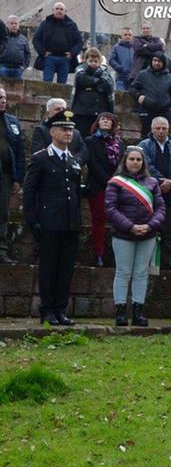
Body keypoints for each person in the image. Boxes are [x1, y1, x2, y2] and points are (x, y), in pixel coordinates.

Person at [22, 110, 82, 325]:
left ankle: (60, 309)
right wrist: (32, 220)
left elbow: (76, 193)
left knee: (66, 268)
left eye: (71, 130)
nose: (68, 133)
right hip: (49, 222)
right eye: (64, 129)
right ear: (52, 131)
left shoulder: (73, 161)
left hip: (69, 222)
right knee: (48, 267)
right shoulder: (41, 158)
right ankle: (47, 309)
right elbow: (30, 192)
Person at [105, 146, 166, 326]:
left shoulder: (152, 182)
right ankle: (121, 312)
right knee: (123, 272)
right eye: (132, 159)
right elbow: (110, 209)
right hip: (123, 235)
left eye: (138, 159)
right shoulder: (115, 182)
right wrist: (130, 226)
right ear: (125, 161)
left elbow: (161, 208)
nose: (135, 162)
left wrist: (149, 226)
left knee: (141, 273)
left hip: (147, 235)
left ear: (143, 162)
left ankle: (138, 312)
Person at [139, 116, 171, 270]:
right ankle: (148, 260)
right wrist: (160, 181)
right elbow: (146, 164)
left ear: (168, 129)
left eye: (164, 128)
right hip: (151, 193)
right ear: (152, 129)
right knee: (150, 226)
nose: (161, 131)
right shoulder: (144, 145)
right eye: (158, 128)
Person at [83, 112, 125, 266]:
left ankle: (117, 255)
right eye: (103, 119)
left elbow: (122, 164)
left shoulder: (120, 143)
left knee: (119, 220)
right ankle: (98, 253)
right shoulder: (90, 141)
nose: (106, 121)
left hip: (117, 186)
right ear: (98, 122)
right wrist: (107, 180)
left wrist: (115, 181)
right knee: (98, 219)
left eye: (109, 119)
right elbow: (92, 163)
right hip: (97, 185)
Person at [0, 87, 26, 264]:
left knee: (3, 213)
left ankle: (1, 250)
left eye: (4, 97)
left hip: (6, 176)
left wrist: (18, 178)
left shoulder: (12, 121)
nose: (2, 100)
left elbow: (19, 152)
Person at [129, 51, 171, 138]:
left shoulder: (170, 78)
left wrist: (165, 104)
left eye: (159, 61)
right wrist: (138, 96)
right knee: (146, 137)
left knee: (163, 137)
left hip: (163, 112)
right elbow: (132, 88)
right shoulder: (143, 74)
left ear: (163, 63)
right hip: (146, 110)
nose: (156, 63)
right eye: (154, 60)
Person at [71, 48, 116, 138]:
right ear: (86, 60)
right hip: (82, 111)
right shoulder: (80, 70)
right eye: (91, 61)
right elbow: (82, 80)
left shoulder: (105, 73)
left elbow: (106, 86)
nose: (93, 63)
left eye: (96, 61)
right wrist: (97, 82)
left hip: (99, 111)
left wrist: (91, 84)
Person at [33, 3, 82, 84]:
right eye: (57, 9)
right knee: (47, 83)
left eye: (61, 9)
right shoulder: (45, 23)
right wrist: (43, 52)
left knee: (62, 84)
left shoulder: (71, 25)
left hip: (65, 59)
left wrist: (72, 53)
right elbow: (36, 39)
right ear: (53, 10)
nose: (59, 11)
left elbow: (79, 42)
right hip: (49, 58)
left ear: (65, 11)